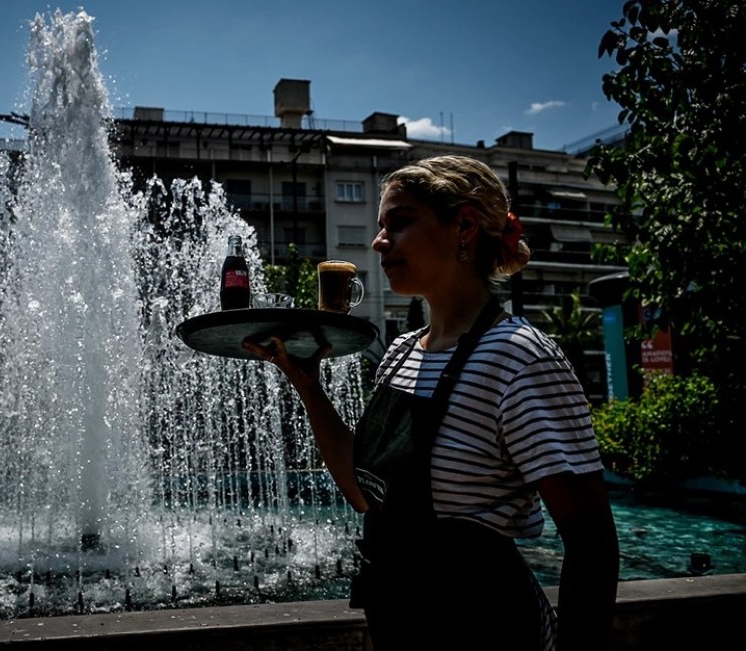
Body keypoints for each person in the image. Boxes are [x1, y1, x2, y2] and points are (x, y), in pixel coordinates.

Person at [244, 155, 619, 650]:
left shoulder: (518, 358)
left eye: (398, 224)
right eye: (381, 227)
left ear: (463, 225)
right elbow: (365, 494)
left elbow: (591, 545)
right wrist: (308, 386)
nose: (379, 242)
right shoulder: (401, 354)